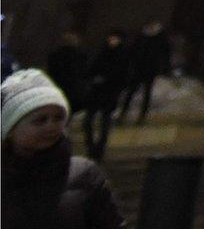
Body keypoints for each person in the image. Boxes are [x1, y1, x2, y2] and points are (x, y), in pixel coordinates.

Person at [2, 69, 124, 228]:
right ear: (11, 128)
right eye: (40, 120)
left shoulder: (84, 174)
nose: (51, 126)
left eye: (58, 118)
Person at [80, 31, 130, 160]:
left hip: (110, 92)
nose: (112, 40)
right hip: (97, 92)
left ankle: (100, 147)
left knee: (105, 121)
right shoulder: (102, 52)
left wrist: (108, 81)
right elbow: (91, 69)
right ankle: (91, 146)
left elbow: (123, 75)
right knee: (88, 121)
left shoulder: (122, 55)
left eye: (115, 38)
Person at [119, 21, 171, 126]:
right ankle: (123, 114)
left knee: (145, 93)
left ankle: (141, 116)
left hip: (150, 69)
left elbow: (165, 53)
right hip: (140, 68)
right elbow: (133, 51)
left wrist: (162, 66)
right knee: (132, 91)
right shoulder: (143, 37)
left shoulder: (159, 38)